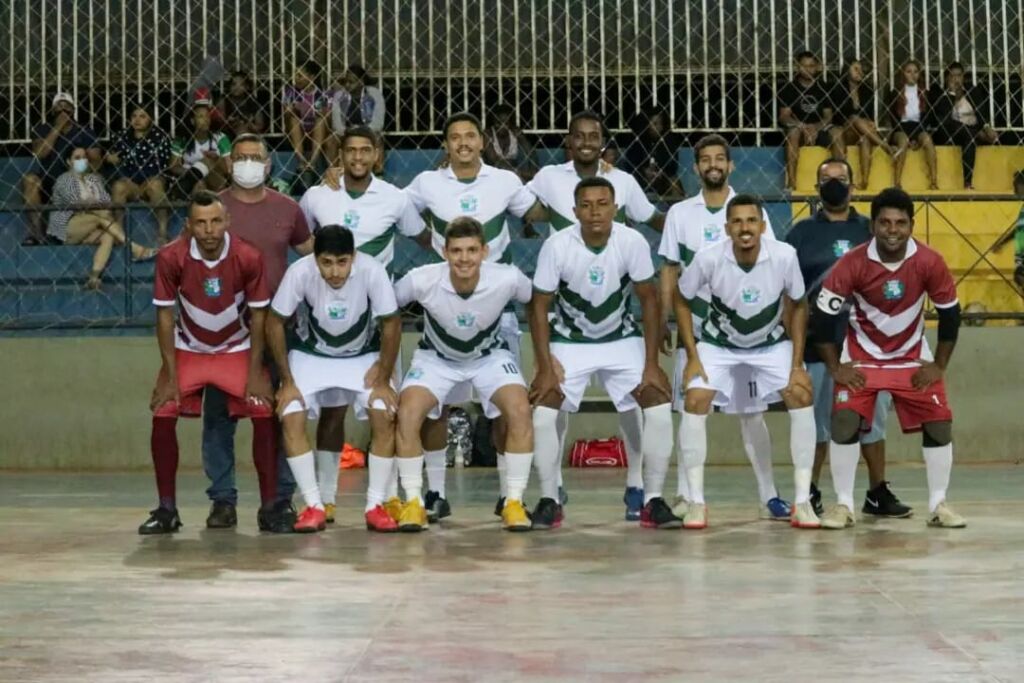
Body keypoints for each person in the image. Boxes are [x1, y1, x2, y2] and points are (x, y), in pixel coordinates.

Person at [526, 110, 665, 521]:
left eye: (603, 204)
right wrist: (543, 364)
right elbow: (538, 305)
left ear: (615, 206)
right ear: (574, 209)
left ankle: (648, 495)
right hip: (569, 339)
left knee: (653, 402)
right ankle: (550, 498)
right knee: (546, 407)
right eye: (587, 205)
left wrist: (652, 362)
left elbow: (650, 299)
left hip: (621, 337)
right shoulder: (556, 233)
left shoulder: (632, 237)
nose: (595, 211)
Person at [403, 112, 539, 523]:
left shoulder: (504, 181)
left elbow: (540, 214)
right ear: (445, 145)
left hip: (496, 310)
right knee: (431, 410)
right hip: (447, 309)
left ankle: (509, 497)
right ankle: (432, 497)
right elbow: (396, 210)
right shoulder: (427, 184)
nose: (463, 142)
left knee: (505, 411)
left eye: (470, 136)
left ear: (482, 142)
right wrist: (436, 249)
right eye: (454, 137)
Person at [814, 187, 965, 529]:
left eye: (900, 223)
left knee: (940, 423)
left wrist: (938, 365)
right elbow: (822, 318)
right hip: (862, 359)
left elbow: (950, 316)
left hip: (912, 359)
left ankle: (939, 504)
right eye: (884, 222)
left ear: (911, 225)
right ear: (873, 227)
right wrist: (836, 368)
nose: (892, 229)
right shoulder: (852, 262)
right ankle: (843, 505)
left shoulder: (929, 261)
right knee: (843, 421)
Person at [659, 134, 791, 522]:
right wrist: (670, 320)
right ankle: (686, 495)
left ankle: (770, 494)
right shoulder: (680, 214)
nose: (713, 164)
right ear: (696, 167)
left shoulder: (749, 211)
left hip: (747, 336)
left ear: (731, 165)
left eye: (720, 158)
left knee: (752, 416)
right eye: (705, 159)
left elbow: (774, 268)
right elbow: (669, 269)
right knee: (690, 412)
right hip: (698, 335)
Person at [675, 194, 820, 530]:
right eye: (737, 221)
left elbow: (798, 305)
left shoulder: (784, 256)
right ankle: (696, 502)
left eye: (751, 221)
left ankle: (802, 502)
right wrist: (693, 356)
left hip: (769, 345)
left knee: (801, 395)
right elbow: (681, 299)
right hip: (718, 345)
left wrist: (797, 364)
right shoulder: (708, 258)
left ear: (763, 225)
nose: (744, 228)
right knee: (695, 399)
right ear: (727, 228)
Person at [139, 191, 277, 534]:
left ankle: (270, 507)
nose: (209, 229)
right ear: (189, 226)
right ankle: (167, 509)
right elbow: (164, 315)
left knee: (263, 411)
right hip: (190, 349)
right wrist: (169, 375)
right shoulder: (172, 256)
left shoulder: (248, 255)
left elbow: (260, 316)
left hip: (236, 348)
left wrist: (257, 371)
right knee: (163, 412)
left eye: (215, 221)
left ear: (227, 221)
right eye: (200, 223)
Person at [785, 158, 910, 518]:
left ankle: (876, 491)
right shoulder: (800, 233)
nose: (834, 184)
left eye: (841, 179)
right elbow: (787, 289)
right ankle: (809, 490)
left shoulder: (870, 230)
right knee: (819, 422)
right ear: (816, 186)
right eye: (827, 179)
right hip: (815, 343)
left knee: (874, 419)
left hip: (868, 344)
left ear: (853, 187)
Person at [201, 133, 314, 533]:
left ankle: (278, 501)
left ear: (269, 166)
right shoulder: (213, 210)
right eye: (241, 157)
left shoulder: (288, 208)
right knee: (218, 419)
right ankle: (222, 501)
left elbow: (312, 256)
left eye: (256, 157)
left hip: (280, 328)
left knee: (280, 414)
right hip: (223, 332)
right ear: (230, 164)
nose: (249, 163)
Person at [393, 217, 536, 532]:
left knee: (520, 410)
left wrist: (546, 361)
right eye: (456, 250)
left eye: (472, 250)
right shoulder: (421, 279)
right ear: (444, 252)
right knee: (408, 412)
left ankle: (513, 501)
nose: (464, 258)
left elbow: (537, 301)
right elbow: (387, 307)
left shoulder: (508, 278)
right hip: (436, 357)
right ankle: (415, 502)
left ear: (485, 251)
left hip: (489, 356)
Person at [267, 225, 402, 533]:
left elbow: (392, 323)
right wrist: (287, 381)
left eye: (342, 262)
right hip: (311, 355)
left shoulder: (373, 270)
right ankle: (314, 505)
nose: (335, 271)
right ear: (315, 259)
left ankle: (375, 505)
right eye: (326, 262)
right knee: (290, 414)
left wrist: (383, 374)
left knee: (384, 412)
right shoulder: (300, 272)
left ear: (353, 257)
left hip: (361, 357)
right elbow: (275, 322)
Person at [300, 126, 424, 273]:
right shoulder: (315, 196)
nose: (358, 157)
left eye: (365, 150)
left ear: (376, 155)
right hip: (327, 292)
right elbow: (300, 240)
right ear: (340, 154)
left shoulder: (396, 198)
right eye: (351, 150)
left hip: (377, 294)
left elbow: (424, 237)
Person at [48, 147, 157, 289]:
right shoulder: (64, 179)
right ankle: (135, 248)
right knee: (100, 217)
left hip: (91, 225)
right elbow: (77, 204)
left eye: (84, 156)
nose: (83, 160)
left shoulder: (94, 179)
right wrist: (97, 208)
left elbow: (106, 202)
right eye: (77, 158)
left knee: (108, 236)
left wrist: (98, 208)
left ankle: (94, 277)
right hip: (67, 227)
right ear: (69, 162)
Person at [23, 92, 102, 245]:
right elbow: (40, 153)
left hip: (75, 181)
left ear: (73, 111)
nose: (63, 110)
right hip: (48, 182)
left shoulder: (84, 131)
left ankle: (84, 230)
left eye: (67, 107)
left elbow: (96, 162)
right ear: (53, 111)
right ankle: (36, 234)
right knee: (30, 180)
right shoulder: (43, 129)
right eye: (59, 106)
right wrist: (58, 127)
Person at [107, 100, 172, 243]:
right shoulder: (121, 137)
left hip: (151, 181)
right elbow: (110, 158)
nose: (137, 120)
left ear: (150, 119)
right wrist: (109, 159)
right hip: (131, 183)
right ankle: (119, 233)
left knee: (155, 184)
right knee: (118, 186)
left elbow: (165, 166)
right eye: (134, 116)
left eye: (143, 116)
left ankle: (162, 232)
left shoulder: (160, 137)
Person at [931, 62, 999, 189]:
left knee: (978, 136)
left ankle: (968, 183)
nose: (956, 79)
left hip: (972, 132)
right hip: (950, 133)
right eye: (952, 76)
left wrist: (986, 127)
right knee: (969, 133)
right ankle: (968, 181)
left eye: (959, 75)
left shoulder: (972, 91)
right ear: (947, 78)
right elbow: (943, 119)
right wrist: (951, 93)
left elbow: (981, 112)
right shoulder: (940, 93)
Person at [829, 59, 896, 189]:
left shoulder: (867, 90)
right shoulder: (838, 88)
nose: (860, 72)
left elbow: (868, 115)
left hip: (859, 130)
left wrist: (869, 122)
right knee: (854, 118)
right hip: (843, 128)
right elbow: (838, 115)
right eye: (856, 69)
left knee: (865, 139)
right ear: (847, 70)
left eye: (861, 70)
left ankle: (864, 180)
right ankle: (884, 145)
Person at [779, 51, 841, 190]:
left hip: (819, 129)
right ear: (798, 67)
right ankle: (792, 182)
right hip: (799, 130)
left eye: (811, 65)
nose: (808, 69)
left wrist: (815, 127)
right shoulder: (790, 88)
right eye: (804, 66)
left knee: (837, 133)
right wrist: (802, 126)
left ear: (817, 67)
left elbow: (828, 116)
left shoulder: (823, 87)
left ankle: (840, 178)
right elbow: (784, 116)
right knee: (793, 133)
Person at [888, 60, 938, 190]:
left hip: (918, 127)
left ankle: (933, 181)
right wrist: (909, 139)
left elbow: (927, 117)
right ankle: (897, 182)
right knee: (903, 142)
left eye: (916, 72)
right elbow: (892, 118)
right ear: (903, 74)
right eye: (909, 72)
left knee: (928, 140)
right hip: (901, 128)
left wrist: (916, 138)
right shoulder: (895, 93)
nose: (912, 75)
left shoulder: (925, 93)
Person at [282, 59, 331, 184]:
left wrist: (310, 109)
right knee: (293, 119)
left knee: (320, 121)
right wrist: (292, 108)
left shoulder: (322, 93)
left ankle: (312, 162)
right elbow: (285, 115)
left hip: (317, 131)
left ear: (312, 77)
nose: (296, 78)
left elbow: (327, 116)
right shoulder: (290, 91)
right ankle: (302, 160)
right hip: (298, 131)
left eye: (300, 75)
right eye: (295, 75)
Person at [326, 64, 386, 165]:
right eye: (346, 82)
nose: (347, 85)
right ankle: (334, 171)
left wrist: (362, 129)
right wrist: (347, 130)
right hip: (346, 131)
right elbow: (336, 123)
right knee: (330, 141)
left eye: (351, 82)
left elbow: (378, 122)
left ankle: (378, 171)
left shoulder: (374, 94)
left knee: (378, 139)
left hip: (368, 130)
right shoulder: (339, 96)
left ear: (361, 82)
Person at [168, 103, 232, 197]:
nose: (205, 120)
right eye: (200, 116)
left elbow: (228, 169)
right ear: (192, 121)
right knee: (199, 184)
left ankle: (180, 190)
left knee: (209, 160)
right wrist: (197, 172)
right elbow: (173, 166)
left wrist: (216, 159)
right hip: (192, 180)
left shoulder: (220, 138)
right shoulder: (182, 139)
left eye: (207, 116)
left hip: (215, 178)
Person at [622, 109, 684, 199]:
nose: (652, 126)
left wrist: (661, 172)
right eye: (649, 123)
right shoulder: (638, 141)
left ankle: (678, 208)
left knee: (674, 181)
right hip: (641, 177)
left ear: (662, 126)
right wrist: (643, 171)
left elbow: (673, 166)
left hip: (662, 178)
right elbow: (630, 164)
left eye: (656, 123)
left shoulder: (668, 141)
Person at [483, 102, 535, 181]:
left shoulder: (515, 132)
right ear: (493, 122)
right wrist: (521, 173)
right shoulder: (488, 134)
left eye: (505, 123)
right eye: (498, 123)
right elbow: (494, 160)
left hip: (516, 173)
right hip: (494, 173)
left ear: (510, 123)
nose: (502, 127)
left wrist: (534, 170)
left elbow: (530, 152)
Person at [218, 70, 268, 137]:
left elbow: (260, 125)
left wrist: (249, 125)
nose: (236, 88)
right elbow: (219, 122)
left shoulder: (252, 101)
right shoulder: (224, 100)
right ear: (229, 86)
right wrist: (228, 122)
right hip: (227, 137)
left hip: (247, 136)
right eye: (234, 84)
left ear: (247, 87)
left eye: (241, 84)